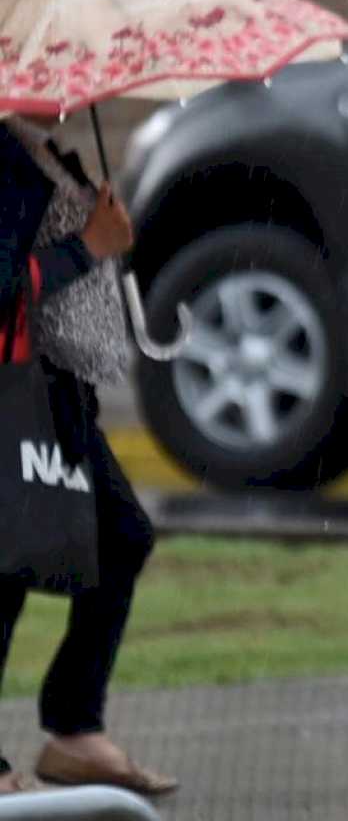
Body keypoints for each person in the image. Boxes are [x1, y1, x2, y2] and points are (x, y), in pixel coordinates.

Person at [0, 116, 177, 797]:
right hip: (17, 392)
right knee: (7, 565)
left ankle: (74, 730)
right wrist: (87, 244)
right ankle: (69, 730)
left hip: (56, 392)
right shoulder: (4, 156)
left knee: (121, 537)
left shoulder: (39, 148)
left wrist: (100, 231)